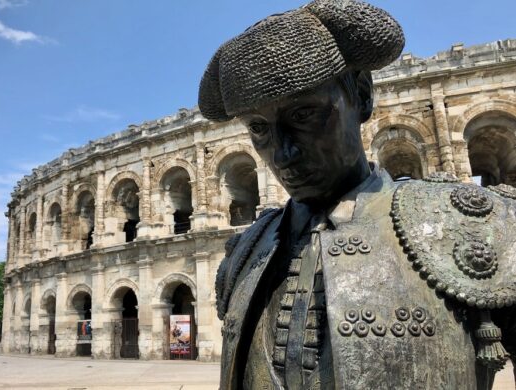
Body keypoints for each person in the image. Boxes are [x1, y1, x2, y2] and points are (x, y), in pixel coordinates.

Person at [198, 1, 516, 389]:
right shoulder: (244, 254)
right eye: (260, 128)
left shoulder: (480, 226)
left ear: (362, 97)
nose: (281, 153)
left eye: (303, 115)